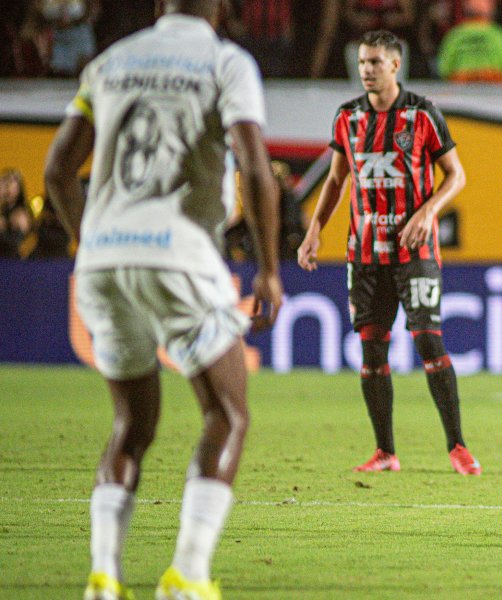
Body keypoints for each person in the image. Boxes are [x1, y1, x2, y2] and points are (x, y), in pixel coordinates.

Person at [42, 1, 283, 598]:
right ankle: (189, 574)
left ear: (158, 7)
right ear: (220, 9)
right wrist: (269, 268)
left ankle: (103, 574)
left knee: (131, 424)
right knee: (226, 414)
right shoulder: (226, 62)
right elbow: (254, 167)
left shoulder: (109, 61)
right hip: (178, 250)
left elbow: (55, 171)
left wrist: (89, 238)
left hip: (101, 258)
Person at [298, 30, 481, 476]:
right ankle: (385, 452)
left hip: (414, 251)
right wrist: (314, 231)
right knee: (372, 351)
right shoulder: (347, 118)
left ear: (396, 65)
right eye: (362, 62)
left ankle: (457, 446)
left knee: (427, 339)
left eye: (376, 62)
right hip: (363, 254)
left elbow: (455, 176)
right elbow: (337, 180)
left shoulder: (422, 115)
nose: (367, 70)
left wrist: (428, 212)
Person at [436, 0, 502, 82]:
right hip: (494, 94)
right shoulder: (501, 36)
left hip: (461, 94)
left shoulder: (454, 36)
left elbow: (444, 70)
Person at [0, 168, 32, 258]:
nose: (7, 188)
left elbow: (20, 245)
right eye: (3, 184)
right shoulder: (3, 211)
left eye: (10, 183)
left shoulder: (22, 213)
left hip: (14, 264)